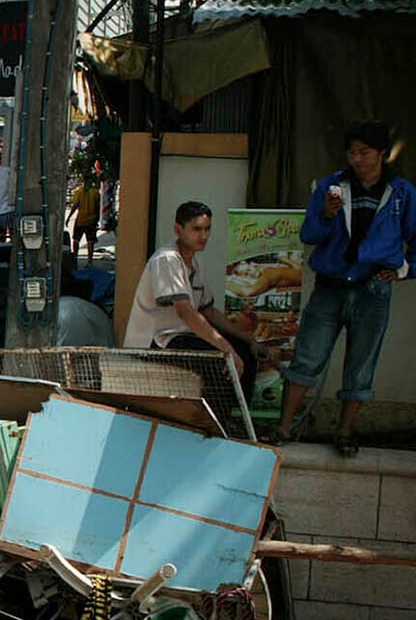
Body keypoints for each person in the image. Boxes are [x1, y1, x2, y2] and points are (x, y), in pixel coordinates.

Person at [274, 120, 415, 453]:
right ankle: (283, 428)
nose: (357, 159)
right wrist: (325, 214)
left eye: (364, 152)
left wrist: (406, 270)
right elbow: (309, 235)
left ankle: (345, 434)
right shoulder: (332, 187)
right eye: (352, 152)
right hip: (330, 285)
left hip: (374, 288)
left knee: (361, 364)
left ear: (382, 154)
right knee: (307, 358)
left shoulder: (403, 194)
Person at [123, 200, 262, 402]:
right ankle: (213, 424)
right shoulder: (167, 259)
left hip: (182, 336)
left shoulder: (195, 262)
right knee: (220, 362)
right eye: (197, 229)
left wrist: (246, 338)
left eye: (207, 229)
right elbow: (185, 312)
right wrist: (225, 347)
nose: (204, 236)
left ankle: (238, 420)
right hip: (157, 341)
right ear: (178, 230)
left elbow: (208, 311)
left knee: (244, 352)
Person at [69, 172, 102, 267]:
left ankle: (75, 260)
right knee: (90, 241)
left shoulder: (78, 192)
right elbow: (98, 207)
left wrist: (69, 218)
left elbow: (75, 206)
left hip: (80, 221)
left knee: (76, 240)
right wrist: (97, 220)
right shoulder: (95, 193)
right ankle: (90, 261)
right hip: (91, 221)